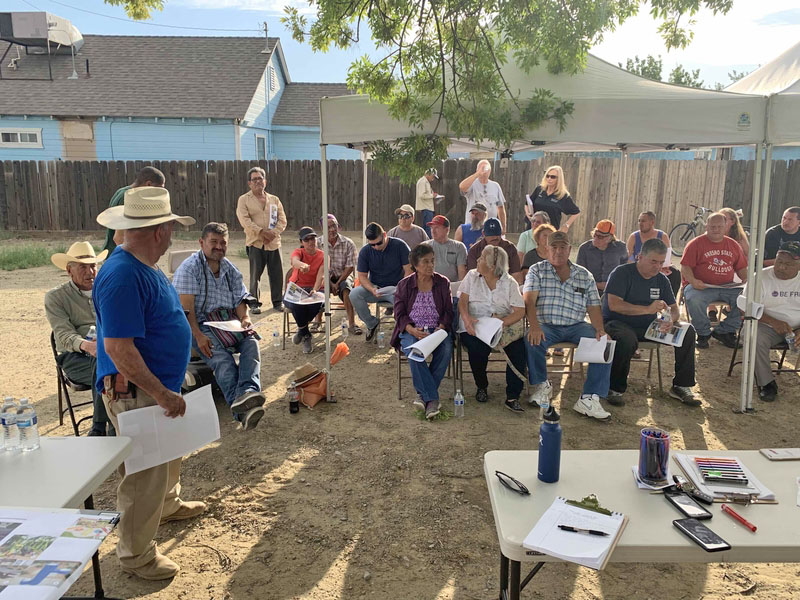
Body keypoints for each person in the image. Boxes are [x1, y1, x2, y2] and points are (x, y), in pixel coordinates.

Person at [94, 187, 205, 580]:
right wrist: (160, 392)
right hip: (140, 393)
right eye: (171, 228)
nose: (173, 235)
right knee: (143, 477)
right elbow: (119, 348)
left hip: (154, 390)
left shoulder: (140, 265)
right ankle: (136, 556)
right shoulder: (123, 275)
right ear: (160, 230)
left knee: (164, 460)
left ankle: (169, 505)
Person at [172, 222, 266, 430]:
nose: (219, 246)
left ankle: (248, 393)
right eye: (213, 242)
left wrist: (245, 319)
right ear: (202, 242)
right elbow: (185, 311)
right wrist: (197, 336)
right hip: (200, 323)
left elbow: (240, 299)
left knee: (251, 344)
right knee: (222, 359)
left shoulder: (229, 268)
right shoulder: (189, 268)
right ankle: (242, 410)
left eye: (223, 242)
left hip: (228, 321)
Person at [524, 231, 613, 421]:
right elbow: (529, 301)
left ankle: (589, 397)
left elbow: (594, 307)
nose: (558, 251)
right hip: (546, 325)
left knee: (603, 343)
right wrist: (534, 326)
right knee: (532, 338)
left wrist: (600, 330)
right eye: (553, 247)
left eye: (562, 247)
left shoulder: (584, 275)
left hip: (576, 326)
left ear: (569, 249)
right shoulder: (537, 270)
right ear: (546, 249)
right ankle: (542, 385)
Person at [603, 238, 699, 407]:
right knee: (626, 338)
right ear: (640, 256)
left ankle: (681, 386)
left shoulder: (661, 279)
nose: (657, 266)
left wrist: (670, 320)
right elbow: (614, 305)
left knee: (687, 331)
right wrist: (647, 309)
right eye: (653, 261)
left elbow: (674, 308)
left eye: (661, 262)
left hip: (649, 326)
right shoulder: (622, 273)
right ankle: (615, 388)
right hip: (617, 323)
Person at [45, 242, 113, 437]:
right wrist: (87, 346)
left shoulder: (107, 290)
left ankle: (112, 426)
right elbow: (63, 335)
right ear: (69, 270)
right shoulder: (56, 297)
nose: (90, 271)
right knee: (105, 364)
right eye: (83, 267)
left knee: (113, 361)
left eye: (93, 266)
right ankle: (100, 427)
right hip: (75, 357)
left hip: (108, 351)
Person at [458, 245, 527, 413]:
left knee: (518, 349)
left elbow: (520, 310)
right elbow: (462, 301)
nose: (477, 260)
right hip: (474, 324)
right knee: (477, 348)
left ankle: (512, 396)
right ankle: (481, 386)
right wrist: (466, 318)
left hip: (501, 325)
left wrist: (501, 322)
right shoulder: (472, 276)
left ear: (491, 265)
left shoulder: (509, 282)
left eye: (481, 258)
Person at [390, 244, 454, 420]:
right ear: (415, 265)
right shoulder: (404, 285)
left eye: (432, 261)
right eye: (425, 262)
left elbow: (449, 311)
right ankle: (431, 399)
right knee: (413, 351)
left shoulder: (442, 282)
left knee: (446, 349)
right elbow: (399, 313)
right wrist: (411, 329)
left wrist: (441, 328)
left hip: (437, 330)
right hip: (413, 330)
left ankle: (423, 395)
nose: (430, 265)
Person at [739, 241, 800, 402]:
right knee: (754, 336)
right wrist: (773, 321)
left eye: (788, 264)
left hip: (796, 327)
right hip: (764, 324)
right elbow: (745, 308)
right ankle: (766, 383)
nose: (781, 267)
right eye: (779, 261)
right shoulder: (760, 277)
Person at [681, 212, 748, 349]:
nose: (716, 230)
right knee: (694, 298)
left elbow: (741, 267)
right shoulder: (695, 244)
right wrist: (693, 281)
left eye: (719, 227)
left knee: (746, 298)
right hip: (701, 286)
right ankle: (703, 333)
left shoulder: (733, 245)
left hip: (727, 286)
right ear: (706, 227)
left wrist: (746, 280)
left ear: (725, 227)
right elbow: (685, 267)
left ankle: (725, 331)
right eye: (712, 227)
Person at [236, 166, 287, 313]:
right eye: (254, 179)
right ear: (249, 183)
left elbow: (282, 220)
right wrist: (261, 233)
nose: (258, 181)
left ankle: (278, 302)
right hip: (256, 243)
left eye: (260, 178)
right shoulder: (244, 200)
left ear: (265, 181)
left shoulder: (274, 199)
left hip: (274, 243)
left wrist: (273, 234)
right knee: (255, 275)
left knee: (277, 274)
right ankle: (254, 303)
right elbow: (244, 220)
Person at [351, 222, 412, 340]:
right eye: (372, 245)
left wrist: (400, 288)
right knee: (354, 294)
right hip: (375, 288)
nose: (376, 247)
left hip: (397, 289)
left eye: (379, 243)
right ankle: (371, 323)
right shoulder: (365, 251)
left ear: (384, 234)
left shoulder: (400, 246)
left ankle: (402, 330)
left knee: (401, 301)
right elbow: (362, 276)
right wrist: (372, 288)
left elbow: (409, 270)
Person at [102, 166, 166, 253]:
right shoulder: (128, 197)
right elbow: (119, 238)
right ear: (148, 184)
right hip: (117, 253)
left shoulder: (122, 191)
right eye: (159, 189)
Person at [319, 213, 361, 335]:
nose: (332, 229)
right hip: (324, 275)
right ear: (322, 229)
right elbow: (318, 268)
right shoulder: (317, 243)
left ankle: (352, 324)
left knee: (346, 288)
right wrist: (330, 282)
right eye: (328, 227)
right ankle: (318, 321)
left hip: (343, 275)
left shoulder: (348, 243)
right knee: (320, 288)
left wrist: (337, 283)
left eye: (334, 226)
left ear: (339, 226)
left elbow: (350, 267)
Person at [285, 227, 325, 354]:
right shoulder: (299, 252)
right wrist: (303, 265)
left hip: (315, 288)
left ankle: (301, 331)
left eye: (312, 238)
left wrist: (315, 289)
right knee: (296, 305)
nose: (310, 242)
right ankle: (306, 334)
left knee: (316, 303)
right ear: (301, 242)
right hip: (296, 287)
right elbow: (294, 261)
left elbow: (321, 275)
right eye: (306, 240)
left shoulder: (323, 256)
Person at [626, 211, 681, 296]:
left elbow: (667, 258)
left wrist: (658, 267)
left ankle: (669, 301)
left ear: (652, 222)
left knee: (675, 273)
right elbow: (628, 258)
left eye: (643, 221)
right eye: (639, 221)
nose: (640, 223)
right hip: (639, 269)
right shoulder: (633, 237)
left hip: (659, 267)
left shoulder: (663, 236)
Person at [576, 220, 628, 293]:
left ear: (610, 238)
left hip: (614, 292)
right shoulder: (584, 249)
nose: (596, 238)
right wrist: (598, 285)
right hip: (590, 290)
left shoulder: (620, 248)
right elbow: (579, 276)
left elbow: (626, 272)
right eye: (595, 235)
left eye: (600, 237)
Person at [466, 218, 524, 284]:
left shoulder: (510, 248)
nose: (495, 238)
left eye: (497, 234)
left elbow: (516, 274)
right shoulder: (474, 250)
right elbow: (473, 276)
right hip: (481, 286)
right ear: (483, 234)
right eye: (491, 235)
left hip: (506, 285)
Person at [526, 166, 580, 232]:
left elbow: (576, 212)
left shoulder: (563, 196)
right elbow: (527, 203)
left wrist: (566, 225)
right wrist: (527, 213)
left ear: (559, 179)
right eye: (547, 176)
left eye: (553, 177)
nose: (549, 179)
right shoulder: (539, 189)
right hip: (533, 229)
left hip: (549, 233)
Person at [460, 160, 507, 232]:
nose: (484, 171)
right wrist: (478, 174)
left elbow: (500, 208)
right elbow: (462, 187)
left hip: (490, 228)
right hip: (473, 227)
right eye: (481, 168)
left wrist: (503, 227)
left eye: (486, 168)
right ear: (477, 169)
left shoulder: (495, 185)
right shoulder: (472, 184)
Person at [421, 215, 467, 282]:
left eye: (436, 228)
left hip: (452, 285)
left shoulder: (458, 246)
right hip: (430, 285)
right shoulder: (424, 247)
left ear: (447, 230)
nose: (433, 231)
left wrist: (461, 289)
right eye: (431, 228)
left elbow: (462, 271)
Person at [416, 168, 439, 237]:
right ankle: (428, 243)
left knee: (427, 227)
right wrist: (432, 195)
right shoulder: (423, 182)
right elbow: (421, 195)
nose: (433, 178)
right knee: (428, 228)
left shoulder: (425, 182)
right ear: (429, 174)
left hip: (427, 208)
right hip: (426, 208)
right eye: (433, 176)